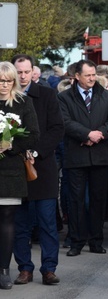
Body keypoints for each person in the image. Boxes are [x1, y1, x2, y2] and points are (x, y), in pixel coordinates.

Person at [57, 59, 108, 257]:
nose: (92, 78)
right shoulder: (65, 97)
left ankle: (96, 240)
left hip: (100, 156)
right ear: (77, 76)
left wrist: (99, 134)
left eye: (94, 75)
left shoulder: (105, 95)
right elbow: (65, 122)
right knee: (76, 201)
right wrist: (86, 134)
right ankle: (76, 241)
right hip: (76, 156)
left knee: (98, 200)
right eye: (88, 75)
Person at [11, 55, 64, 287]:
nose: (22, 76)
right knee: (20, 224)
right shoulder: (6, 98)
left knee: (47, 223)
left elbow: (56, 128)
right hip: (14, 168)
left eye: (26, 71)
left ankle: (49, 268)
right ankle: (24, 268)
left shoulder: (47, 94)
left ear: (33, 71)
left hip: (43, 168)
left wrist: (36, 151)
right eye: (18, 72)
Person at [0, 62, 39, 290]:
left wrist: (10, 144)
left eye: (7, 81)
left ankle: (4, 270)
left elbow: (34, 134)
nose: (4, 85)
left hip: (11, 170)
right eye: (0, 81)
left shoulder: (24, 102)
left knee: (6, 220)